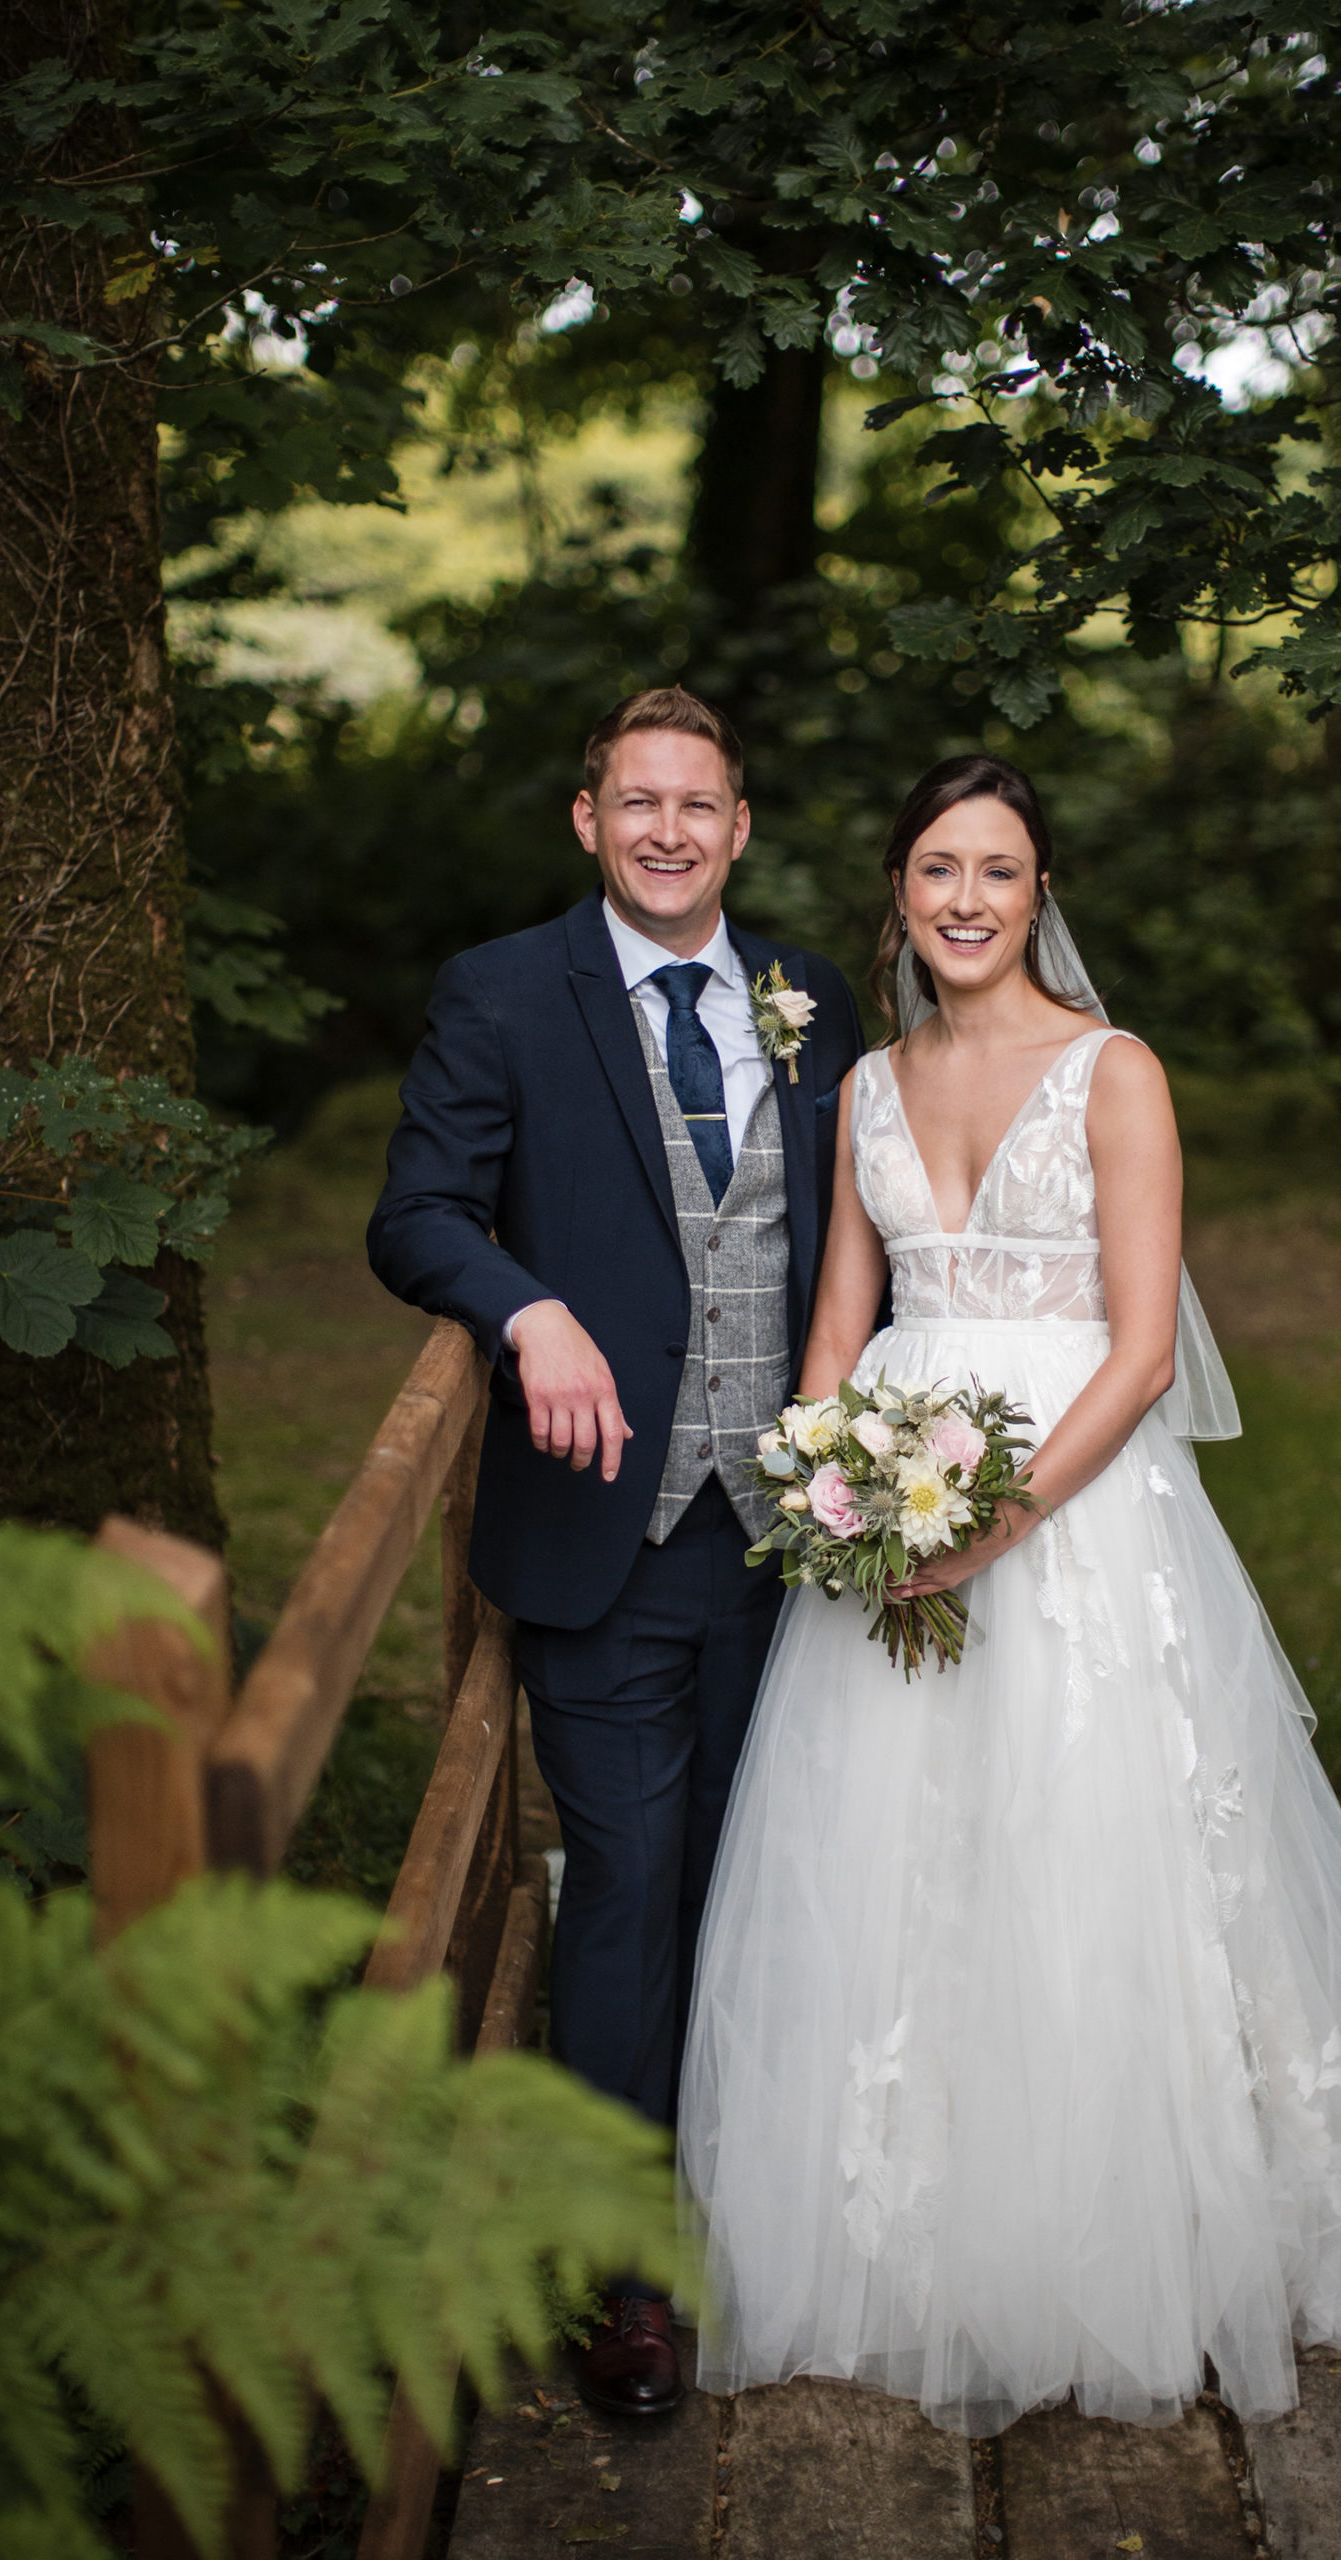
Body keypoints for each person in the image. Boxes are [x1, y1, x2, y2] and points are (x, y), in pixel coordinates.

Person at [678, 753, 1341, 2436]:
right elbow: (840, 1315)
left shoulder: (1115, 1074)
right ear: (895, 892)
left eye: (1001, 871)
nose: (966, 900)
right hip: (884, 1525)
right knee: (892, 1861)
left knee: (1090, 1852)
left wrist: (996, 1522)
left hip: (1077, 1519)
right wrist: (833, 1485)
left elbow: (1135, 1347)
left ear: (1043, 895)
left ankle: (1133, 2222)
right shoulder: (870, 1088)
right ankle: (920, 2234)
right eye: (937, 869)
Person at [367, 687, 863, 2419]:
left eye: (698, 804)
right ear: (588, 819)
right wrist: (528, 1312)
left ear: (740, 826)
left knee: (774, 1884)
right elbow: (417, 1210)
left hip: (802, 1539)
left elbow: (870, 1235)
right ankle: (628, 2272)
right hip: (608, 1538)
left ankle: (775, 2215)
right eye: (635, 801)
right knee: (630, 1895)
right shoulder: (504, 992)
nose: (668, 829)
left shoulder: (816, 1000)